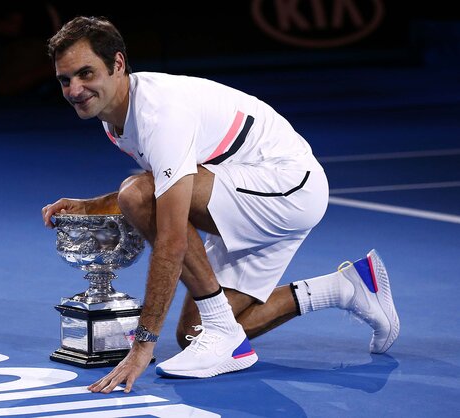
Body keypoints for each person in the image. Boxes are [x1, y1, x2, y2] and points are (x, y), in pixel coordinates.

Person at [40, 16, 400, 394]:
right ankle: (345, 288)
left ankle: (224, 328)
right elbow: (170, 184)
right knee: (194, 336)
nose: (75, 89)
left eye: (85, 74)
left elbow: (171, 236)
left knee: (137, 196)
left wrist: (142, 345)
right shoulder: (113, 113)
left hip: (287, 189)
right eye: (65, 80)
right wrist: (95, 204)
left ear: (117, 64)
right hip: (239, 192)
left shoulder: (159, 114)